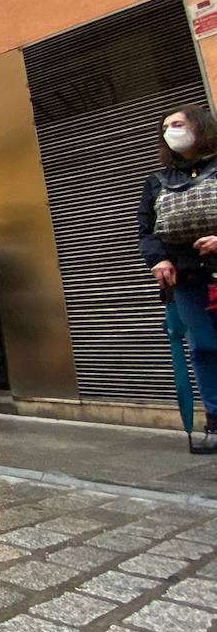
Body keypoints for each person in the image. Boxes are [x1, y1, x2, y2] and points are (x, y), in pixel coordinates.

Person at [140, 105, 217, 452]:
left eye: (179, 124)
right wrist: (158, 261)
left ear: (200, 127)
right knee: (202, 346)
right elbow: (147, 231)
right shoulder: (157, 182)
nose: (172, 130)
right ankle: (215, 421)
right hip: (187, 277)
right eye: (166, 126)